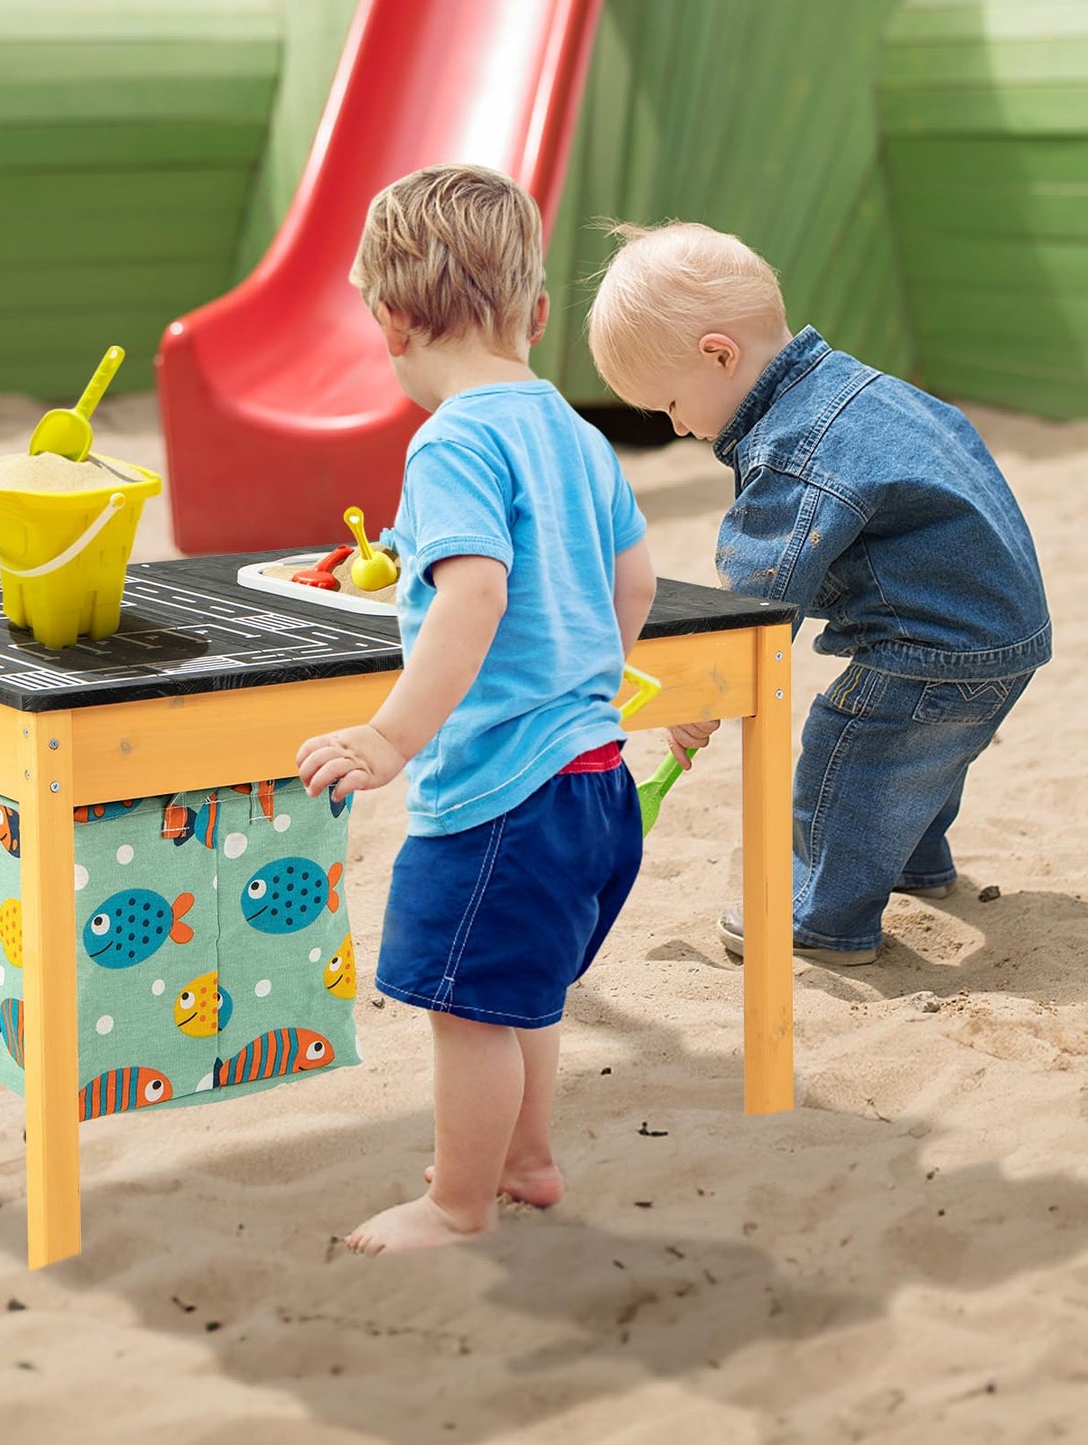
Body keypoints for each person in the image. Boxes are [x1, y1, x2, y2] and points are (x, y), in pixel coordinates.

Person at [296, 164, 656, 1255]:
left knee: (463, 1008)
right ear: (537, 314)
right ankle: (526, 1160)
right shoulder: (573, 433)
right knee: (519, 992)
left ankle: (456, 1204)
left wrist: (387, 735)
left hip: (499, 790)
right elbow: (631, 581)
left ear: (394, 323)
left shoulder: (453, 439)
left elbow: (475, 591)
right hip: (594, 776)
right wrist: (586, 677)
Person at [588, 220, 1051, 967]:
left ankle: (820, 915)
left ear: (717, 355)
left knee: (854, 747)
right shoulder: (851, 385)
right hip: (999, 622)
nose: (676, 430)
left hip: (938, 639)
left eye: (671, 405)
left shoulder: (792, 450)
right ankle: (913, 860)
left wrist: (703, 693)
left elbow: (758, 598)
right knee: (917, 749)